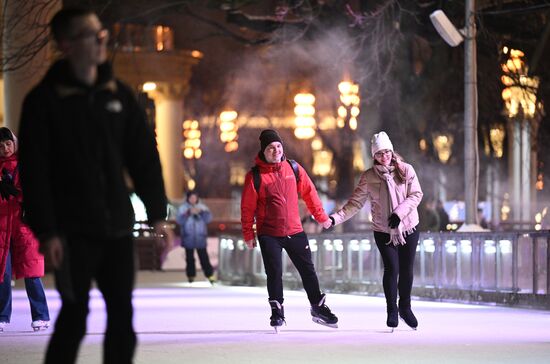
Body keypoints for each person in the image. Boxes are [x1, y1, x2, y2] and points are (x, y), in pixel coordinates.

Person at [17, 7, 172, 364]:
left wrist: (157, 213)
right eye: (92, 34)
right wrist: (48, 231)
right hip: (72, 232)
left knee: (122, 317)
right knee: (74, 316)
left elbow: (144, 158)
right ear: (67, 44)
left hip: (116, 227)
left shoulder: (117, 94)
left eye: (101, 31)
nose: (103, 38)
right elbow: (35, 172)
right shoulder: (44, 102)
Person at [241, 129, 338, 331]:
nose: (275, 151)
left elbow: (310, 194)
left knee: (308, 270)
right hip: (269, 234)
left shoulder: (293, 168)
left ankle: (318, 308)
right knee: (274, 273)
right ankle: (277, 310)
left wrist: (322, 218)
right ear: (264, 151)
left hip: (294, 230)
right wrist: (248, 234)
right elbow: (247, 208)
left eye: (278, 146)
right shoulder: (255, 176)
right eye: (271, 148)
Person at [328, 131, 423, 331]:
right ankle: (392, 310)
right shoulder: (368, 177)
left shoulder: (406, 170)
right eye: (379, 154)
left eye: (387, 152)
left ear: (392, 151)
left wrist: (399, 213)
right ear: (374, 156)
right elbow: (354, 204)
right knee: (392, 268)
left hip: (409, 227)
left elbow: (416, 194)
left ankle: (405, 307)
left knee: (406, 269)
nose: (384, 156)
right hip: (383, 230)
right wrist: (335, 218)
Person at [0, 128, 50, 332]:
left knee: (32, 272)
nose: (5, 149)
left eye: (8, 144)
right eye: (1, 146)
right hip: (2, 226)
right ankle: (2, 316)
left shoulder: (26, 163)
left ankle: (41, 315)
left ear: (14, 143)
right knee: (2, 273)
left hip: (23, 225)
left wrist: (18, 192)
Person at [176, 191, 215, 284]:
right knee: (189, 258)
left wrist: (201, 213)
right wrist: (188, 213)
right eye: (191, 198)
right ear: (188, 198)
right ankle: (191, 275)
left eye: (195, 198)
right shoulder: (182, 208)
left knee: (204, 257)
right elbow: (179, 220)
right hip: (188, 237)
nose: (193, 199)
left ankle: (209, 275)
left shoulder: (203, 207)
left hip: (200, 237)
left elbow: (209, 219)